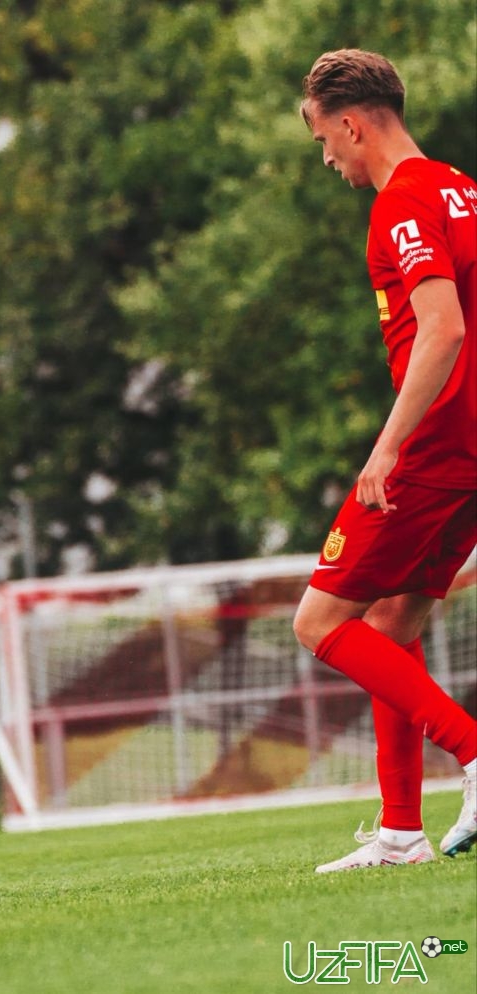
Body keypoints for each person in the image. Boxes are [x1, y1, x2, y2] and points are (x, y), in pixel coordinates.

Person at [292, 49, 476, 872]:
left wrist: (389, 444)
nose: (328, 158)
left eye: (325, 140)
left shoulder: (400, 202)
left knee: (320, 621)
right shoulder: (460, 185)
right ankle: (402, 831)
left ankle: (473, 751)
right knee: (393, 623)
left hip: (437, 441)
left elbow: (443, 329)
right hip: (473, 442)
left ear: (353, 122)